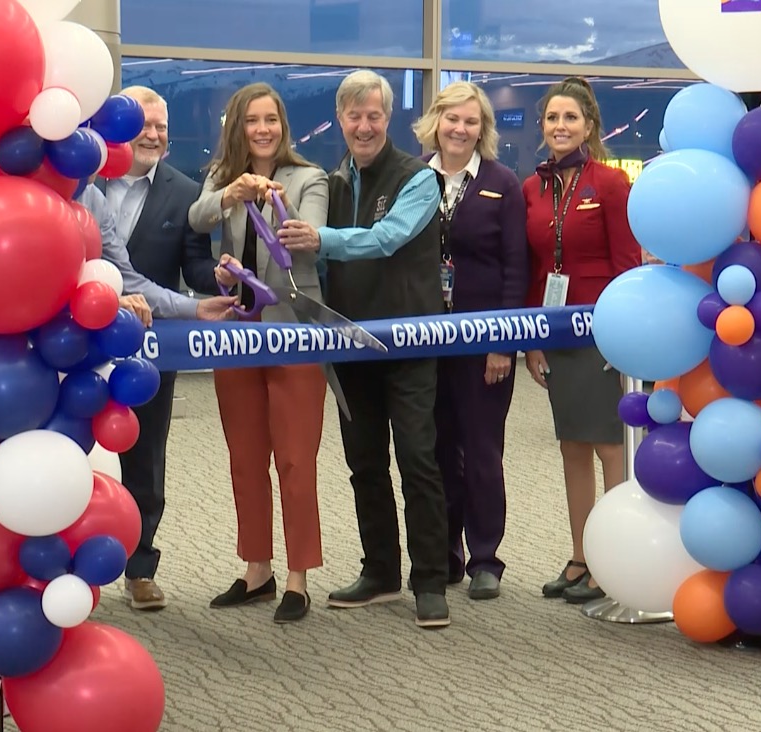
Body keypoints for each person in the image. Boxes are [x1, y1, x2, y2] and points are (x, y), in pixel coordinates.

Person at [275, 70, 451, 629]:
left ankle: (430, 581)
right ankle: (380, 572)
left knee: (418, 459)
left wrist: (318, 238)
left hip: (410, 340)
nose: (364, 125)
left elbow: (388, 238)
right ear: (341, 119)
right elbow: (318, 262)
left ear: (388, 118)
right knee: (364, 462)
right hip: (351, 343)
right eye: (354, 116)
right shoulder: (333, 181)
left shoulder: (419, 178)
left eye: (374, 115)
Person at [81, 85, 237, 611]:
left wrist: (209, 284)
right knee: (71, 452)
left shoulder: (184, 190)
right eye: (144, 123)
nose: (154, 134)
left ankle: (140, 566)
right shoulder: (82, 181)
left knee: (146, 455)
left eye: (162, 127)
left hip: (152, 345)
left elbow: (186, 265)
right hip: (72, 348)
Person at [187, 83, 330, 623]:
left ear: (283, 125)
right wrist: (230, 195)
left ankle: (298, 577)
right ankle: (258, 570)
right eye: (253, 120)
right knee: (246, 460)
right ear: (238, 128)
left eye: (271, 119)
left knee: (295, 459)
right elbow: (199, 219)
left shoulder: (307, 176)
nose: (263, 128)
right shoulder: (223, 178)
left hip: (294, 331)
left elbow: (305, 232)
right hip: (237, 333)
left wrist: (276, 201)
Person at [522, 77, 642, 605]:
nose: (560, 127)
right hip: (555, 329)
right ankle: (580, 556)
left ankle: (614, 557)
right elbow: (534, 269)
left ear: (589, 127)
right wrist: (532, 338)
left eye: (570, 118)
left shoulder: (611, 184)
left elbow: (628, 265)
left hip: (603, 330)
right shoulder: (534, 187)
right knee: (571, 442)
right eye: (552, 118)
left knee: (609, 445)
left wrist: (626, 341)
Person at [411, 81, 527, 601]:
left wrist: (503, 342)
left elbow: (515, 268)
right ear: (435, 122)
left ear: (483, 130)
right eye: (452, 119)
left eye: (471, 122)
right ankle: (446, 555)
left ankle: (486, 558)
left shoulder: (503, 183)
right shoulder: (416, 179)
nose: (461, 129)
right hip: (426, 341)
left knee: (481, 450)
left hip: (484, 345)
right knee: (434, 450)